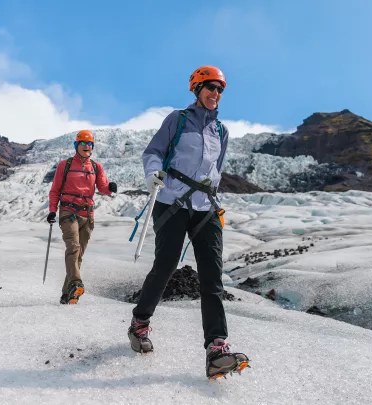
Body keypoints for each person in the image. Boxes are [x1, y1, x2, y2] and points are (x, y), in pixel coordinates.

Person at [127, 65, 250, 379]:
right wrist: (153, 173)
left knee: (212, 276)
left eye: (220, 89)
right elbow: (153, 151)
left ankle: (216, 347)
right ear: (197, 88)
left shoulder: (221, 132)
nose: (216, 94)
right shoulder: (178, 120)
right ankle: (140, 322)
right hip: (171, 202)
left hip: (205, 206)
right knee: (166, 265)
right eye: (210, 87)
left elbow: (216, 171)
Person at [47, 130, 117, 304]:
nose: (87, 146)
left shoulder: (96, 167)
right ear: (76, 146)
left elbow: (102, 187)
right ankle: (76, 282)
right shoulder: (65, 165)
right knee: (73, 247)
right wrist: (52, 210)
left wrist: (110, 189)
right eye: (83, 143)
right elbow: (55, 190)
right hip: (68, 212)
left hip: (88, 214)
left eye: (90, 144)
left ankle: (67, 294)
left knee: (78, 256)